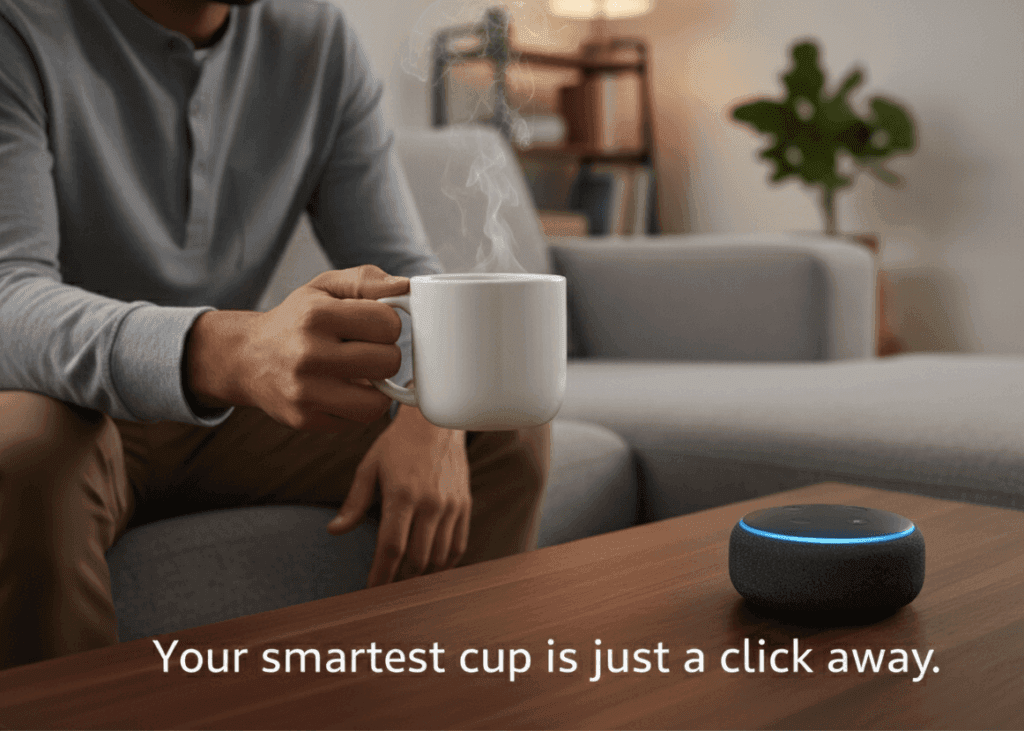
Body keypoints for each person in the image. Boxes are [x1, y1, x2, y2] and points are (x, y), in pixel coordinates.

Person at [0, 0, 551, 670]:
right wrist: (233, 350)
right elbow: (10, 294)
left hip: (228, 412)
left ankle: (442, 702)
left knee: (499, 425)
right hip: (63, 404)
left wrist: (435, 408)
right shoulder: (20, 28)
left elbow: (400, 263)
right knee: (22, 456)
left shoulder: (317, 41)